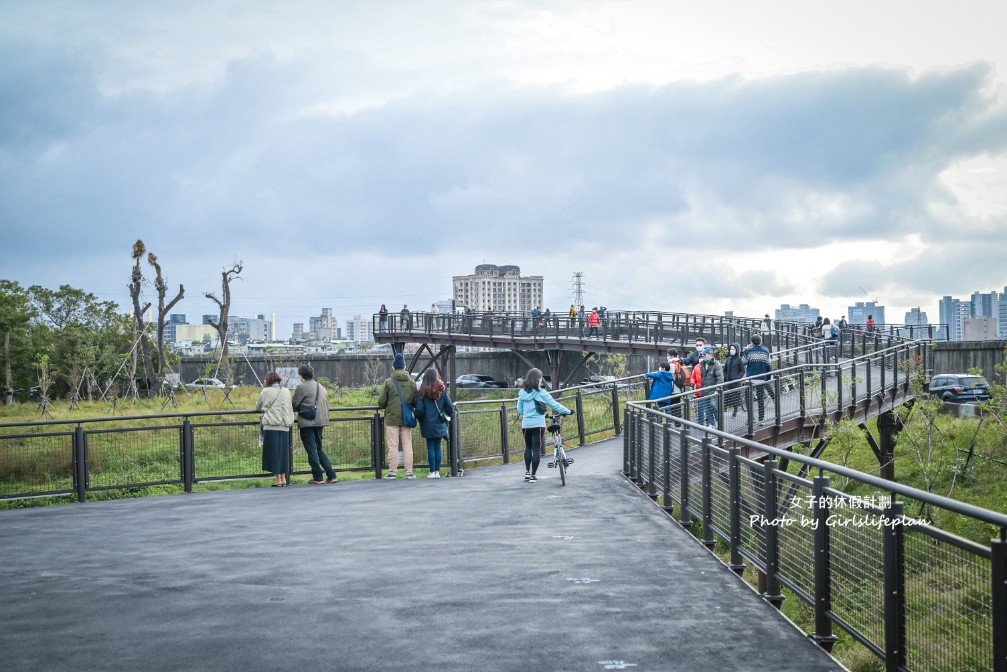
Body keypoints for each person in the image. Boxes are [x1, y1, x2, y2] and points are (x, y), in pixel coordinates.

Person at [517, 368, 572, 483]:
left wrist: (528, 414)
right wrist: (568, 411)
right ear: (538, 379)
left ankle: (527, 472)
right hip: (539, 425)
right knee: (536, 449)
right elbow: (555, 405)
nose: (541, 380)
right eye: (541, 378)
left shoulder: (522, 393)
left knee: (528, 447)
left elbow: (520, 410)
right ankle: (533, 475)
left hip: (526, 424)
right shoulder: (542, 393)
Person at [292, 365, 337, 484]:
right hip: (320, 421)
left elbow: (294, 404)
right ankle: (331, 475)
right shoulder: (321, 387)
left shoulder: (301, 387)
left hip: (307, 423)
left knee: (312, 450)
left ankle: (318, 477)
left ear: (301, 376)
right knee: (319, 449)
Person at [378, 352, 418, 479]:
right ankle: (409, 472)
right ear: (405, 367)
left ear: (393, 367)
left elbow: (381, 401)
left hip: (392, 419)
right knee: (407, 445)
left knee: (393, 446)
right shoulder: (411, 382)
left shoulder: (388, 382)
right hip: (407, 419)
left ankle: (392, 472)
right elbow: (416, 401)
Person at [257, 371, 295, 487]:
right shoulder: (286, 391)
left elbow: (258, 406)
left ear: (268, 380)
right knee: (283, 452)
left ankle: (278, 479)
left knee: (273, 452)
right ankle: (283, 478)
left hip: (271, 426)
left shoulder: (266, 391)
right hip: (285, 426)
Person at [415, 368, 454, 478]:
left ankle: (432, 472)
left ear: (426, 377)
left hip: (427, 424)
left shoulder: (422, 390)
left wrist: (420, 418)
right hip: (439, 423)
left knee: (430, 447)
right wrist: (445, 416)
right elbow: (450, 406)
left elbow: (420, 409)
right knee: (438, 447)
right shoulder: (442, 389)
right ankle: (437, 472)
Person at [742, 334, 775, 422]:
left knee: (748, 399)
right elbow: (769, 365)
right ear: (761, 341)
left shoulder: (748, 351)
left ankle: (751, 419)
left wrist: (747, 349)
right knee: (760, 400)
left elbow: (743, 362)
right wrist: (767, 378)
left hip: (750, 379)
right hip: (761, 379)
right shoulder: (766, 351)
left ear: (752, 342)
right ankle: (761, 419)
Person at [694, 347, 723, 427]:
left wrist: (717, 389)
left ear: (710, 354)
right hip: (705, 390)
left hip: (713, 390)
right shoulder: (703, 364)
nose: (703, 356)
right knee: (707, 408)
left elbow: (720, 378)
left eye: (705, 354)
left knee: (713, 406)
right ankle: (712, 424)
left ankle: (720, 422)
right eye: (703, 355)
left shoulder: (716, 364)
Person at [723, 342, 746, 417]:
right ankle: (724, 409)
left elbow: (742, 370)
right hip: (728, 382)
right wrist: (725, 376)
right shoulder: (728, 359)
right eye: (730, 349)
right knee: (727, 396)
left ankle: (735, 411)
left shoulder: (740, 360)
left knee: (735, 397)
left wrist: (738, 378)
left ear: (737, 350)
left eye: (733, 349)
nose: (731, 350)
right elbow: (724, 369)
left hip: (735, 382)